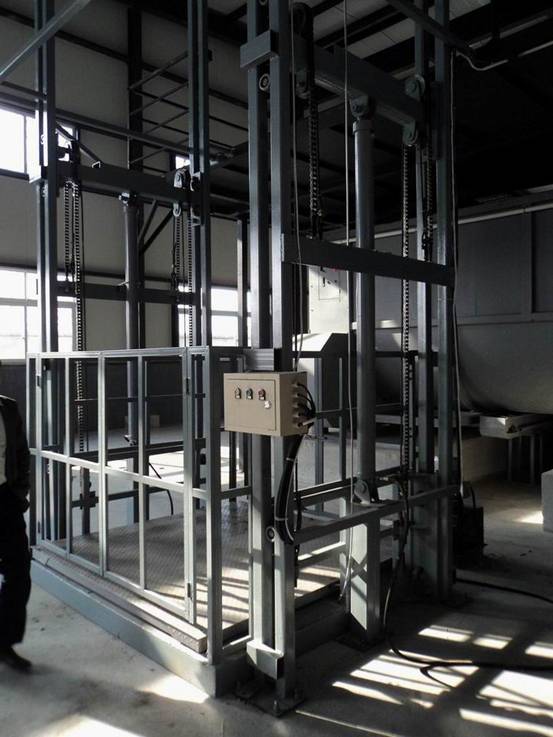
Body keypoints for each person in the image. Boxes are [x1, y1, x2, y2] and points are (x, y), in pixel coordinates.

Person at [0, 395, 32, 671]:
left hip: (5, 498)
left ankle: (4, 642)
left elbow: (21, 452)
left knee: (19, 570)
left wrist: (19, 491)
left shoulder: (7, 408)